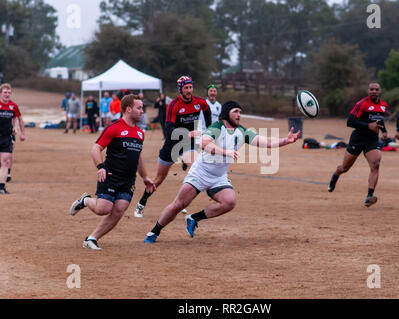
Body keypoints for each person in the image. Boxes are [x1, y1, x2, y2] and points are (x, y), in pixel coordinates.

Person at [143, 100, 300, 243]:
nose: (239, 115)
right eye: (235, 112)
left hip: (219, 177)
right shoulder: (217, 128)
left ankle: (193, 218)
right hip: (200, 173)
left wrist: (285, 141)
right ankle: (154, 231)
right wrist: (225, 152)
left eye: (240, 111)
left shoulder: (242, 131)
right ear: (226, 113)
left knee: (229, 202)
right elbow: (205, 143)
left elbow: (264, 141)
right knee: (179, 204)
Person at [69, 94, 156, 250]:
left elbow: (138, 157)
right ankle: (86, 201)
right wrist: (100, 167)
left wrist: (145, 177)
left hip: (128, 180)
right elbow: (96, 148)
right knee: (103, 209)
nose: (142, 111)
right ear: (128, 109)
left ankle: (91, 238)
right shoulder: (114, 127)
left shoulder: (140, 133)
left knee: (119, 209)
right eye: (139, 108)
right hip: (110, 175)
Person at [133, 76, 212, 218]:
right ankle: (142, 202)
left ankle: (179, 202)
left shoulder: (199, 102)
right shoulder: (174, 105)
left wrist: (209, 130)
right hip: (171, 145)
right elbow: (169, 130)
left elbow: (207, 111)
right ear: (180, 89)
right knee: (158, 179)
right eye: (185, 88)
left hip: (188, 144)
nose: (189, 90)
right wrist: (188, 133)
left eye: (190, 87)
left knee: (194, 168)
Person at [327, 82, 388, 207]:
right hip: (358, 139)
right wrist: (367, 125)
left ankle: (369, 196)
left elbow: (379, 119)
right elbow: (350, 121)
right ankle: (336, 174)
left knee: (375, 164)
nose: (374, 91)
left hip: (372, 140)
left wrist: (384, 131)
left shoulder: (383, 105)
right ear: (368, 91)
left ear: (379, 91)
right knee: (344, 168)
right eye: (371, 89)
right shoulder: (361, 104)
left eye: (376, 89)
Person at [0, 83, 25, 194]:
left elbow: (17, 118)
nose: (7, 94)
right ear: (0, 93)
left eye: (9, 93)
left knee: (5, 162)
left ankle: (1, 187)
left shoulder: (13, 106)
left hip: (6, 137)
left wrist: (18, 130)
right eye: (5, 92)